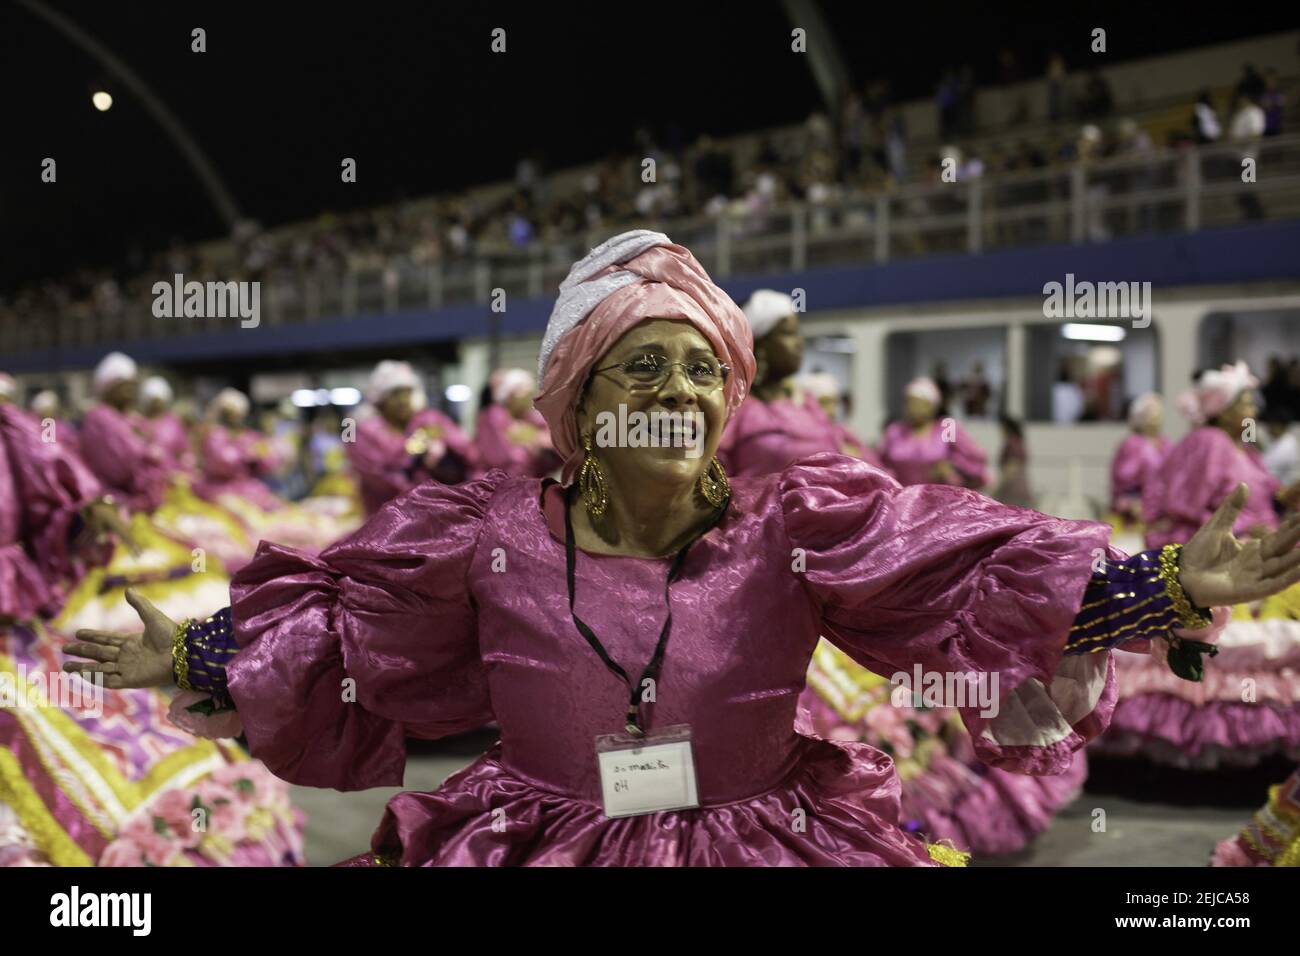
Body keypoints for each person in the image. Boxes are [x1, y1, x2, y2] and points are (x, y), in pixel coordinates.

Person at [65, 230, 1300, 867]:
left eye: (703, 366)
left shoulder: (797, 524)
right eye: (638, 362)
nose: (676, 386)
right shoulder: (486, 529)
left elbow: (967, 576)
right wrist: (197, 645)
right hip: (538, 835)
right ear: (579, 400)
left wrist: (1172, 581)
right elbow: (346, 626)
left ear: (731, 400)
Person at [0, 394, 304, 868]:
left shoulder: (18, 426)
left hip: (20, 634)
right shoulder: (99, 419)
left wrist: (86, 509)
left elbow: (51, 496)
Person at [1098, 362, 1300, 770]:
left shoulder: (1243, 445)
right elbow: (1185, 510)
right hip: (1220, 562)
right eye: (1244, 399)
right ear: (1221, 407)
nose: (1253, 408)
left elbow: (1264, 496)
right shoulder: (1207, 442)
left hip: (1254, 556)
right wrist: (1244, 530)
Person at [346, 360, 479, 515]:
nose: (403, 400)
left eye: (407, 392)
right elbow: (381, 480)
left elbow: (468, 454)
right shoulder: (363, 432)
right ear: (380, 398)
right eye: (395, 394)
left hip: (434, 513)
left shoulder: (426, 421)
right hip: (386, 516)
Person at [879, 378, 989, 488]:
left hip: (939, 496)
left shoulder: (946, 428)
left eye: (918, 403)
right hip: (903, 497)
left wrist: (953, 467)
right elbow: (881, 464)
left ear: (932, 406)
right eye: (908, 402)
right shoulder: (896, 431)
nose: (912, 408)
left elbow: (974, 458)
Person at [473, 368, 558, 478]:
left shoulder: (532, 417)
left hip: (529, 482)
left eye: (529, 391)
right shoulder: (493, 416)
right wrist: (532, 449)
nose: (526, 395)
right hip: (497, 483)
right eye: (520, 390)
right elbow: (499, 457)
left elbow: (556, 450)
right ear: (508, 393)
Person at [1110, 393, 1171, 525]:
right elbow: (1124, 479)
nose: (1155, 417)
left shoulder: (1165, 444)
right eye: (1150, 412)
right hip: (1136, 513)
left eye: (1158, 412)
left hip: (1163, 511)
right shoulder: (1132, 444)